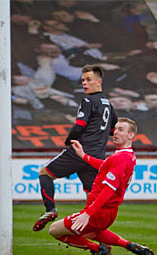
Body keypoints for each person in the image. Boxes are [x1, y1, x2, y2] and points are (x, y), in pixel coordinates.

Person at [49, 117, 157, 255]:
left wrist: (88, 213)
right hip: (109, 212)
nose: (115, 133)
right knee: (91, 233)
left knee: (55, 230)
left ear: (131, 135)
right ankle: (127, 244)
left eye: (121, 130)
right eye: (115, 129)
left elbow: (108, 190)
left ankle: (98, 249)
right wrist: (83, 156)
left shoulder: (120, 158)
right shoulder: (128, 155)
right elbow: (104, 166)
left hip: (97, 211)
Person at [33, 64, 117, 231]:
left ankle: (50, 210)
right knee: (92, 201)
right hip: (96, 157)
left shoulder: (87, 100)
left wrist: (69, 141)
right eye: (83, 80)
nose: (84, 83)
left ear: (98, 82)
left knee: (45, 173)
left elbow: (79, 126)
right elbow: (113, 130)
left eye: (88, 80)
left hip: (79, 151)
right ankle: (103, 245)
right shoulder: (108, 104)